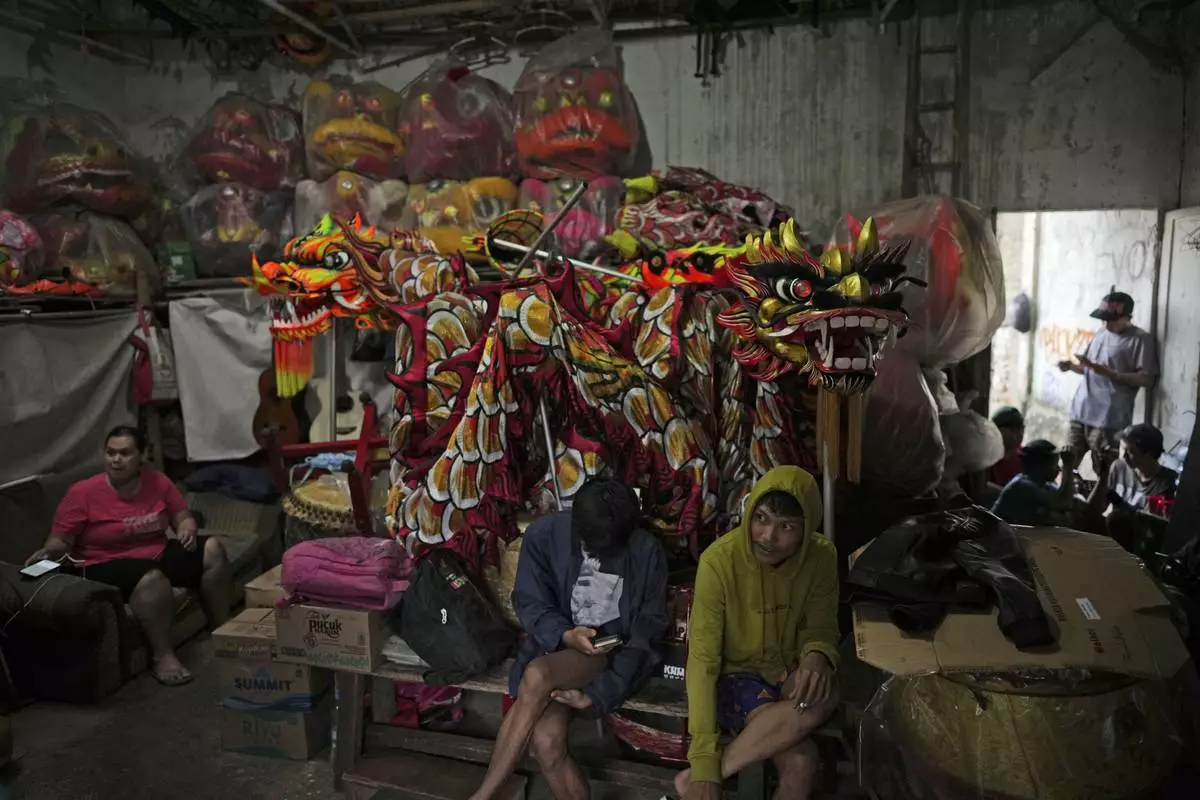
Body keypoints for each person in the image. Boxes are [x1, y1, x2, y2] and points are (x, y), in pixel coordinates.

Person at [469, 478, 668, 800]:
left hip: (609, 656)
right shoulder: (544, 535)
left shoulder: (646, 551)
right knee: (546, 743)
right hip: (553, 647)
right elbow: (530, 602)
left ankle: (483, 796)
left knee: (537, 674)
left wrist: (598, 694)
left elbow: (647, 632)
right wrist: (565, 633)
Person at [677, 466, 840, 800]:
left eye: (786, 527)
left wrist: (817, 655)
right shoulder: (718, 563)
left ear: (806, 530)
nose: (767, 536)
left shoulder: (822, 557)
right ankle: (704, 773)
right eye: (761, 518)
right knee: (801, 762)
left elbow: (821, 627)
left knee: (826, 691)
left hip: (788, 671)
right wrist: (703, 755)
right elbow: (703, 660)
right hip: (736, 677)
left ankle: (702, 775)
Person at [25, 425, 231, 686]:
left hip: (155, 550)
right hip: (104, 562)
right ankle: (163, 656)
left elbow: (181, 514)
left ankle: (223, 630)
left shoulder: (158, 482)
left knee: (213, 549)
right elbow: (62, 540)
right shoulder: (82, 493)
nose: (116, 460)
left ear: (142, 455)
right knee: (152, 579)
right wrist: (50, 551)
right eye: (111, 453)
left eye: (124, 453)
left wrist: (186, 527)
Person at [1058, 291, 1157, 473]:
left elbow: (1147, 380)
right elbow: (1089, 369)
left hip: (1109, 419)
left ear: (1128, 317)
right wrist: (1071, 366)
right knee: (1066, 465)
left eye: (1112, 319)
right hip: (1081, 411)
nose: (1106, 324)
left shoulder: (1140, 340)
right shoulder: (1101, 334)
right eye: (1103, 319)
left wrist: (1114, 375)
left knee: (1104, 473)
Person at [1085, 423, 1178, 550]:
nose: (1124, 456)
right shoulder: (1118, 467)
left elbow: (1151, 528)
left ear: (1150, 454)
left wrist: (1119, 503)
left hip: (1138, 543)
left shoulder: (1167, 482)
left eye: (1130, 451)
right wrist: (1103, 477)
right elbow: (1096, 509)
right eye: (1123, 449)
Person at [990, 440, 1078, 527]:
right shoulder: (1022, 485)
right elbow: (1063, 502)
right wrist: (1068, 466)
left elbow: (1069, 500)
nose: (1058, 469)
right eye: (1054, 465)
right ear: (1038, 466)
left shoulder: (1044, 484)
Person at [988, 407, 1025, 488]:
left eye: (1021, 428)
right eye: (1012, 429)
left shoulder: (1025, 457)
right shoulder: (983, 455)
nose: (1019, 433)